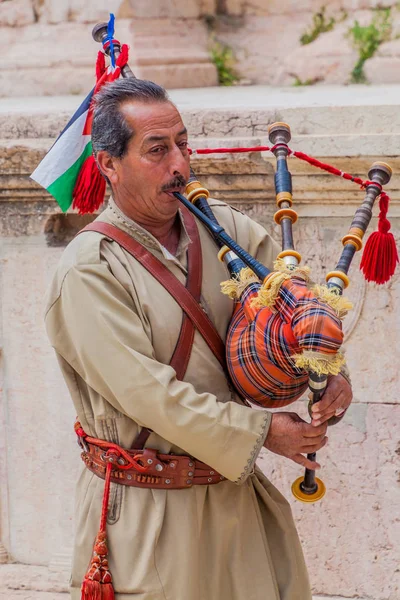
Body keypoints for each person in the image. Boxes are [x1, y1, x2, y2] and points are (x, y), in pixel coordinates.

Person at [44, 77, 352, 600]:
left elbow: (296, 309)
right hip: (152, 518)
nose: (180, 166)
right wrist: (262, 433)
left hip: (240, 506)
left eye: (183, 145)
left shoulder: (226, 228)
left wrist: (331, 371)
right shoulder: (89, 271)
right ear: (108, 165)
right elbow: (149, 394)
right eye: (157, 151)